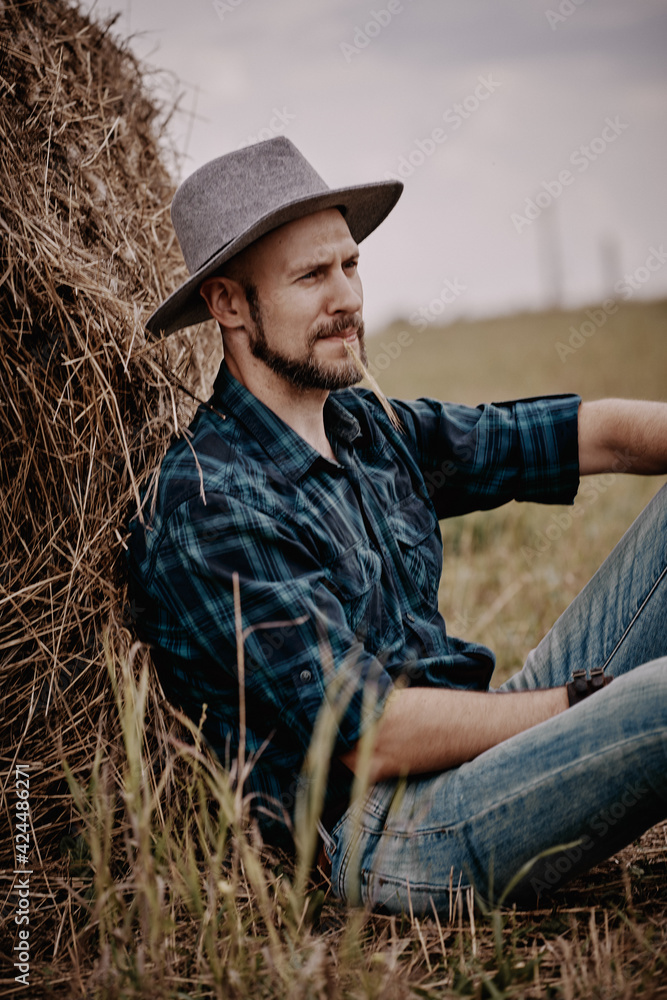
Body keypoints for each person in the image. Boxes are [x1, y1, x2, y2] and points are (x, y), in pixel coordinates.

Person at [128, 137, 667, 914]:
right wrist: (583, 706)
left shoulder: (364, 426)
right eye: (311, 276)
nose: (346, 296)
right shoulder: (207, 503)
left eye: (350, 265)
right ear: (228, 304)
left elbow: (591, 435)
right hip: (394, 830)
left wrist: (573, 707)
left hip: (476, 748)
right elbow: (371, 734)